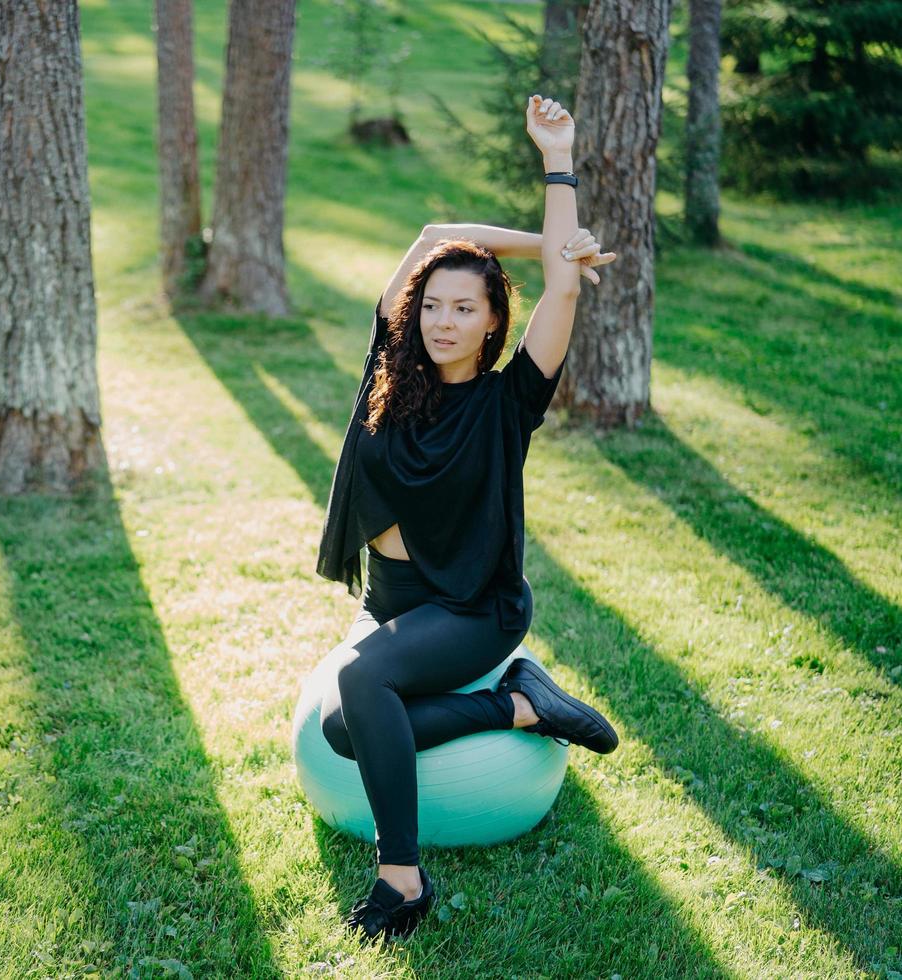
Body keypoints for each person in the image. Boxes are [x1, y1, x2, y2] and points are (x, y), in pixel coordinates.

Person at [312, 94, 621, 944]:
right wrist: (523, 242)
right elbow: (434, 235)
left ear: (494, 324)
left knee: (362, 684)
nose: (442, 321)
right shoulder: (391, 363)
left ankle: (400, 878)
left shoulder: (508, 400)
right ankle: (519, 706)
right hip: (399, 602)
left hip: (473, 607)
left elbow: (563, 284)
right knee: (346, 728)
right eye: (433, 305)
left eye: (464, 309)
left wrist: (557, 160)